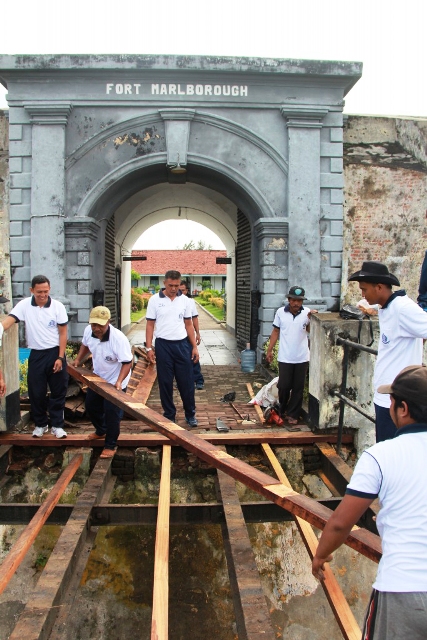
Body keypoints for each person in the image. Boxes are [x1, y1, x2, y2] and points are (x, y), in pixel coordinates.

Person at [312, 365, 427, 640]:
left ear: (403, 409)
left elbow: (341, 524)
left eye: (391, 400)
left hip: (403, 590)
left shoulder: (381, 456)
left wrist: (320, 554)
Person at [348, 260, 427, 442]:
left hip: (399, 399)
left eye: (364, 289)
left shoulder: (403, 309)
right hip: (385, 396)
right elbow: (370, 304)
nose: (362, 294)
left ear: (379, 287)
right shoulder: (386, 306)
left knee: (393, 450)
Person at [1, 275, 68, 438]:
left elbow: (63, 333)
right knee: (36, 392)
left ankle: (58, 426)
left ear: (49, 289)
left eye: (46, 291)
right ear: (32, 291)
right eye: (39, 292)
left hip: (55, 352)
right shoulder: (24, 305)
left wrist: (60, 357)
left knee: (58, 391)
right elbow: (9, 321)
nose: (43, 295)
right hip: (36, 354)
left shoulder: (57, 307)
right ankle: (40, 424)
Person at [73, 306, 133, 459]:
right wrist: (78, 360)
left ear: (108, 322)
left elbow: (127, 362)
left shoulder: (118, 339)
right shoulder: (88, 331)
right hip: (99, 378)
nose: (97, 328)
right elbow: (85, 345)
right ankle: (101, 430)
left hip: (116, 380)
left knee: (112, 413)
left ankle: (110, 445)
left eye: (100, 325)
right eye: (94, 324)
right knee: (92, 406)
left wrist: (119, 382)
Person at [145, 270, 199, 427]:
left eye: (177, 285)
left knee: (187, 382)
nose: (174, 289)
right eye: (171, 285)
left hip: (182, 345)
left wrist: (194, 347)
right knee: (165, 382)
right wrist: (149, 348)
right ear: (164, 283)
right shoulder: (154, 300)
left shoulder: (185, 301)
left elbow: (188, 324)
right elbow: (150, 325)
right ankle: (169, 414)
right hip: (163, 345)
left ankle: (190, 414)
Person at [266, 286, 315, 425]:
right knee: (284, 386)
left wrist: (312, 319)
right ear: (289, 300)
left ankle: (293, 414)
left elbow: (310, 331)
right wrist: (270, 350)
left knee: (298, 387)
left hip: (302, 356)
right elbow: (275, 331)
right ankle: (282, 410)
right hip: (285, 356)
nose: (296, 303)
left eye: (299, 301)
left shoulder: (307, 313)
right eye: (294, 300)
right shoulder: (280, 312)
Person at [179, 281, 204, 390]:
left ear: (187, 291)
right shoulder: (170, 302)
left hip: (188, 335)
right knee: (180, 360)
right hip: (177, 336)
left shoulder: (189, 302)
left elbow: (194, 318)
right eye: (179, 290)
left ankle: (198, 380)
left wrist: (197, 333)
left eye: (183, 290)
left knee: (193, 357)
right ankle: (183, 380)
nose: (180, 292)